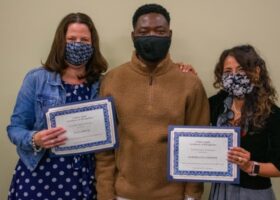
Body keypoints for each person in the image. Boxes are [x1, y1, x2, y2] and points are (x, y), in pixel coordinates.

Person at [95, 4, 210, 200]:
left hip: (174, 196)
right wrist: (105, 195)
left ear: (170, 34)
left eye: (159, 31)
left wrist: (192, 195)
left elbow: (197, 145)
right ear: (133, 36)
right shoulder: (112, 80)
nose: (152, 36)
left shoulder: (190, 83)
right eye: (144, 31)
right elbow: (104, 150)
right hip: (123, 194)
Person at [7, 13, 108, 200]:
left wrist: (177, 69)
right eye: (71, 39)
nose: (78, 44)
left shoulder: (103, 83)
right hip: (38, 177)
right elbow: (15, 129)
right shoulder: (36, 79)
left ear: (93, 45)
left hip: (85, 179)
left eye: (84, 40)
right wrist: (35, 139)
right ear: (61, 42)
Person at [208, 45, 280, 200]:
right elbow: (191, 110)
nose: (234, 76)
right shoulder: (216, 105)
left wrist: (250, 166)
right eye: (228, 71)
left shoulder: (274, 115)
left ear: (255, 72)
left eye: (241, 69)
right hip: (220, 192)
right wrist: (186, 74)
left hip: (254, 194)